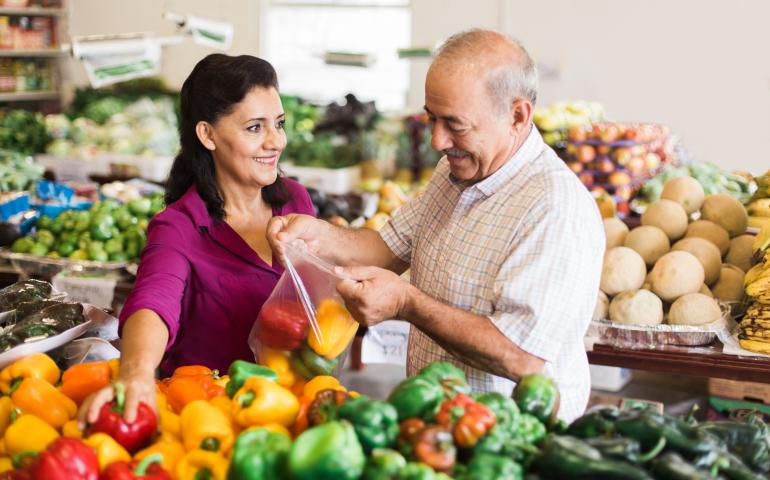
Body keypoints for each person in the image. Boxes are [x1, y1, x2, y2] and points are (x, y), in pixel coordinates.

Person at [268, 29, 605, 422]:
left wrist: (407, 303)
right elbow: (387, 248)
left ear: (517, 116)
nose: (437, 140)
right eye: (432, 118)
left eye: (455, 124)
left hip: (507, 446)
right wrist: (321, 235)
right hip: (439, 429)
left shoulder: (554, 209)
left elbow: (522, 356)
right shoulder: (456, 171)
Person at [79, 54, 315, 425]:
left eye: (279, 124)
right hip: (213, 421)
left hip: (295, 408)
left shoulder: (296, 202)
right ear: (207, 134)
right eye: (255, 127)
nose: (275, 141)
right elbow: (153, 302)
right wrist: (137, 371)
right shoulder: (180, 226)